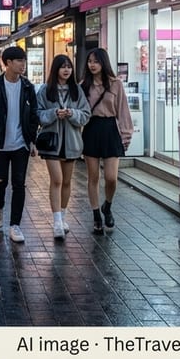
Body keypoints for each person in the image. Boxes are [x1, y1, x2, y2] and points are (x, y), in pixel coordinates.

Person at [0, 45, 40, 243]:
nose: (23, 64)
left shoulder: (28, 87)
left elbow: (33, 117)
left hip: (21, 144)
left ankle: (15, 225)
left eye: (24, 60)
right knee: (0, 182)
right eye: (19, 61)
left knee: (19, 184)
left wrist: (32, 141)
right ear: (8, 63)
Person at [36, 54, 92, 240]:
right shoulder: (45, 90)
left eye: (69, 67)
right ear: (55, 69)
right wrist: (53, 114)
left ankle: (63, 215)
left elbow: (85, 114)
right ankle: (57, 221)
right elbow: (37, 113)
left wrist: (72, 113)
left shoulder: (77, 90)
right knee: (57, 180)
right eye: (62, 67)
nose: (66, 70)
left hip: (71, 142)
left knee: (67, 182)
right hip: (51, 143)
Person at [80, 47, 133, 235]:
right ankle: (96, 216)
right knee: (93, 177)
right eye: (89, 61)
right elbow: (80, 113)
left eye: (96, 61)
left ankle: (107, 206)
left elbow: (123, 111)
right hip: (91, 129)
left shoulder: (115, 84)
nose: (92, 65)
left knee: (111, 178)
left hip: (110, 130)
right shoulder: (83, 86)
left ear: (103, 63)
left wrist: (126, 136)